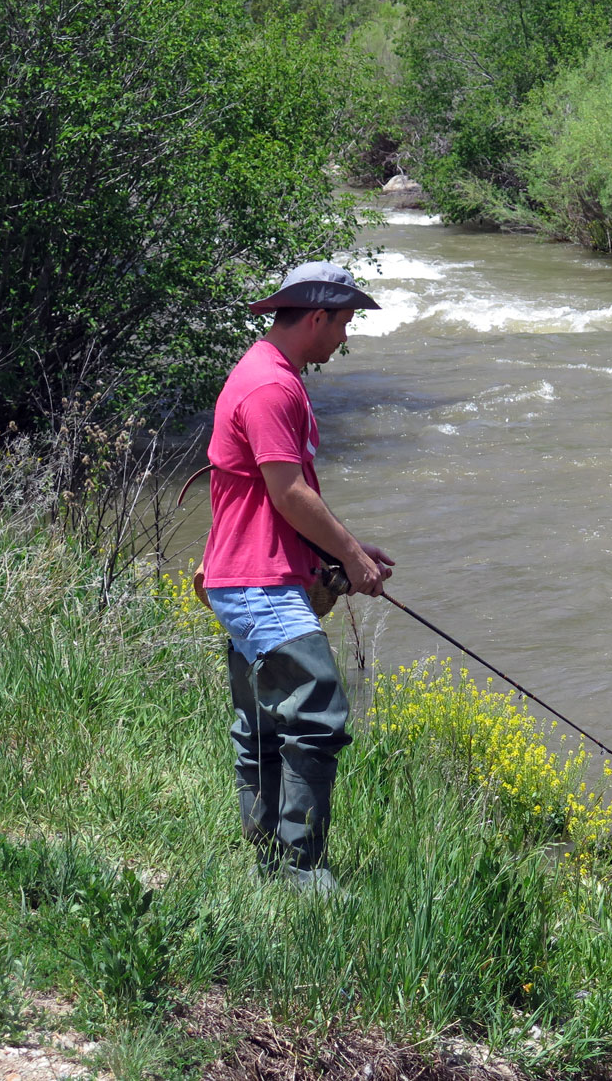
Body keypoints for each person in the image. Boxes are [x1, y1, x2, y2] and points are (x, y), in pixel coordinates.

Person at [193, 261, 395, 893]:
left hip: (249, 573)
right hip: (259, 583)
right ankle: (303, 875)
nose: (344, 338)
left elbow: (254, 491)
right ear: (317, 317)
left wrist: (342, 548)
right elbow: (287, 492)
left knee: (264, 718)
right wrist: (353, 561)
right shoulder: (271, 387)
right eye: (344, 325)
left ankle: (267, 863)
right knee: (316, 712)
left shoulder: (270, 376)